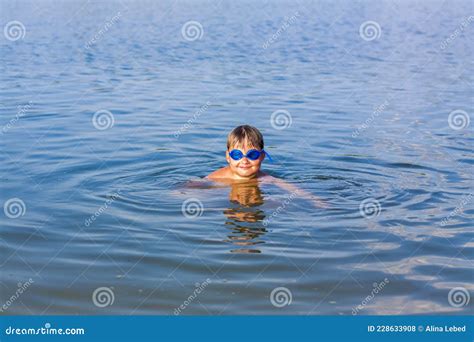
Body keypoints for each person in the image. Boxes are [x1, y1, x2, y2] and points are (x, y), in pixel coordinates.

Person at [206, 125, 327, 208]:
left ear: (262, 156)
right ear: (228, 157)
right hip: (229, 201)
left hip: (255, 201)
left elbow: (295, 190)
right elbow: (192, 188)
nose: (244, 160)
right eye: (237, 155)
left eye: (252, 155)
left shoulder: (266, 179)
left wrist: (315, 200)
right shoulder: (216, 178)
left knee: (275, 204)